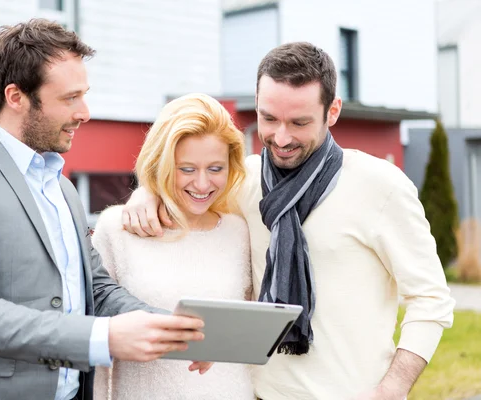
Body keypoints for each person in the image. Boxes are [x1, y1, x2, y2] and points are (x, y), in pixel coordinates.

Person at [121, 42, 455, 400]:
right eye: (269, 119)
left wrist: (394, 387)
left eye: (299, 122)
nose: (281, 138)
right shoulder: (241, 181)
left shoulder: (382, 187)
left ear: (333, 111)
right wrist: (148, 192)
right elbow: (191, 193)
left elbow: (431, 298)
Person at [0, 19, 208, 400]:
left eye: (84, 95)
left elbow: (94, 290)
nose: (84, 112)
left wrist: (172, 327)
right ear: (16, 97)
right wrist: (103, 337)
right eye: (70, 98)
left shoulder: (63, 187)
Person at [91, 93, 254, 400]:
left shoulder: (239, 231)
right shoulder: (119, 229)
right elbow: (97, 340)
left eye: (216, 169)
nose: (203, 184)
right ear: (162, 164)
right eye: (187, 169)